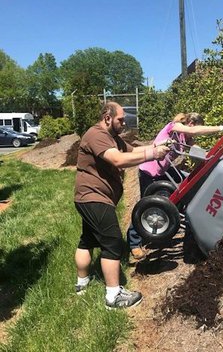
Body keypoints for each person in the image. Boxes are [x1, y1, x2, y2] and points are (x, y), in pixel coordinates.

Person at [74, 101, 170, 309]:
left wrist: (160, 146)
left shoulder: (112, 138)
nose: (123, 123)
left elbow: (134, 150)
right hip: (94, 196)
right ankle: (113, 297)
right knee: (113, 242)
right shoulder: (96, 135)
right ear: (107, 117)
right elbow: (118, 160)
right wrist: (152, 154)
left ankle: (81, 285)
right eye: (120, 119)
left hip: (91, 197)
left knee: (87, 239)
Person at [127, 112, 223, 259]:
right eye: (197, 128)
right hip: (149, 171)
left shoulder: (186, 137)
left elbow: (199, 152)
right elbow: (193, 131)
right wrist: (222, 127)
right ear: (191, 124)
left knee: (190, 180)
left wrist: (216, 158)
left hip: (163, 169)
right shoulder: (174, 127)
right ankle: (134, 244)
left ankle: (185, 211)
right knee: (146, 206)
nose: (195, 133)